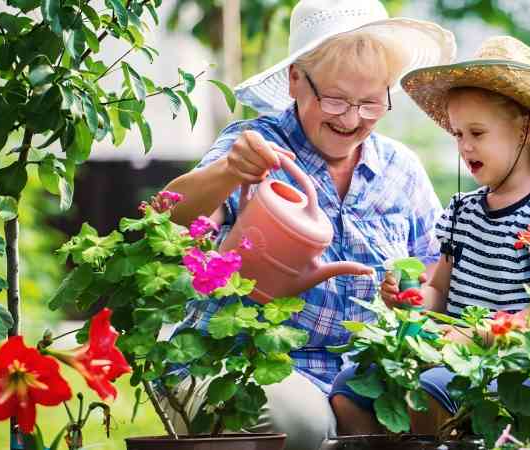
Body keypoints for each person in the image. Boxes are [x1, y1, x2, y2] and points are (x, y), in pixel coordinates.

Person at [159, 1, 456, 449]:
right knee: (303, 425)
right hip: (245, 361)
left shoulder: (400, 170)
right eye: (335, 99)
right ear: (297, 78)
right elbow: (169, 222)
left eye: (372, 102)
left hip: (358, 375)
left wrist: (412, 294)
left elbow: (436, 274)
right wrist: (228, 174)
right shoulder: (255, 148)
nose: (352, 119)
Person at [329, 35, 530, 435]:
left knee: (426, 392)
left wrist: (481, 333)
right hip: (451, 352)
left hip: (514, 362)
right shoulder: (462, 211)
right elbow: (440, 289)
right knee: (349, 386)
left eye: (477, 133)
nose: (464, 146)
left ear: (526, 130)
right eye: (457, 134)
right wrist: (411, 300)